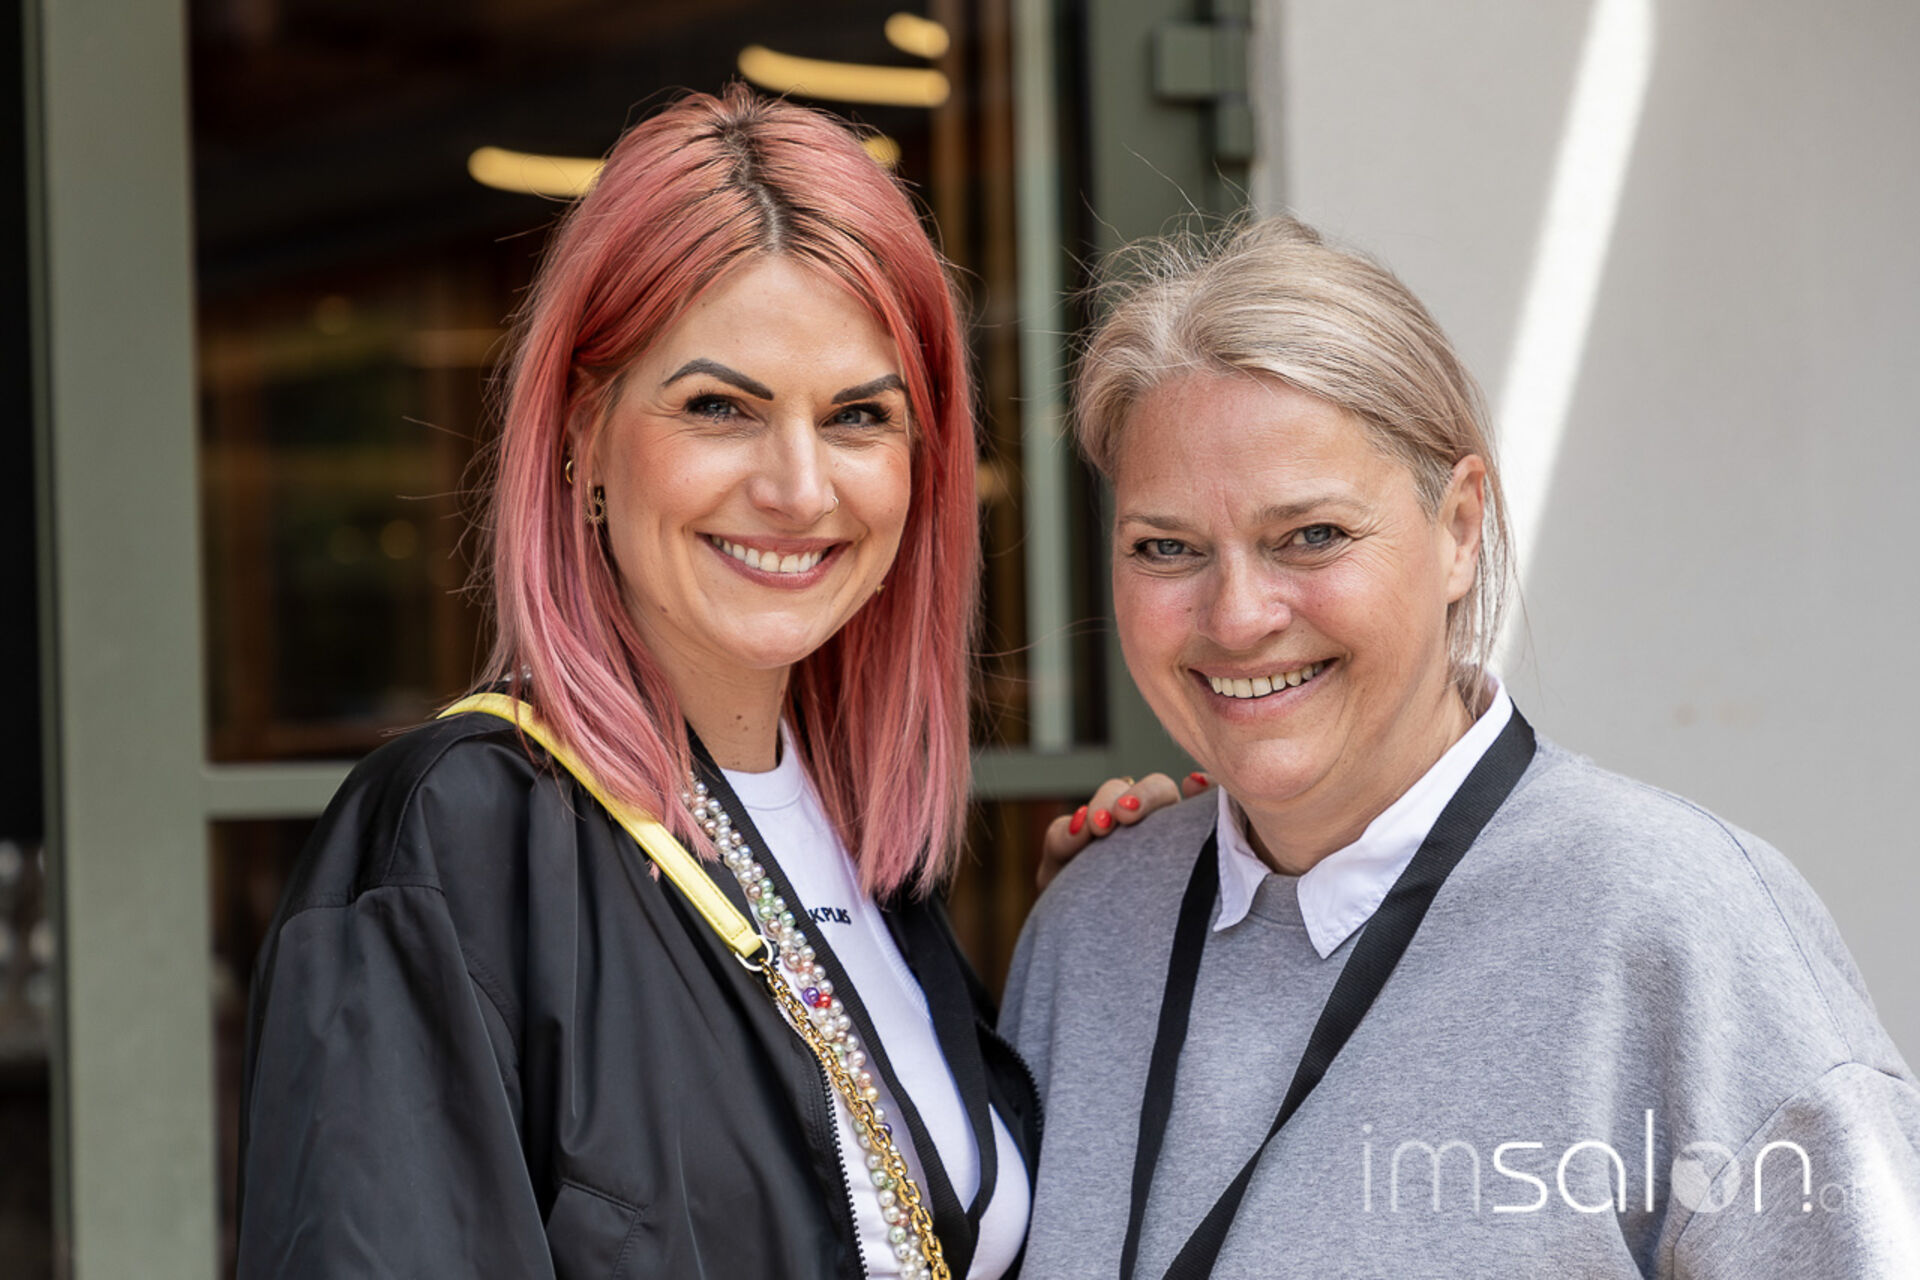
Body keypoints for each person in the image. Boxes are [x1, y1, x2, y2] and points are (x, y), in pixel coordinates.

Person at [234, 86, 1168, 1280]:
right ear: (583, 432)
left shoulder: (865, 862)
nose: (798, 487)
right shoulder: (461, 837)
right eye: (720, 407)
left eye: (858, 415)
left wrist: (1111, 941)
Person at [1002, 216, 1920, 1278]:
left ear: (1460, 528)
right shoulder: (1088, 934)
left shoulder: (1678, 928)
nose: (1239, 615)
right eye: (1166, 547)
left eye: (1312, 535)